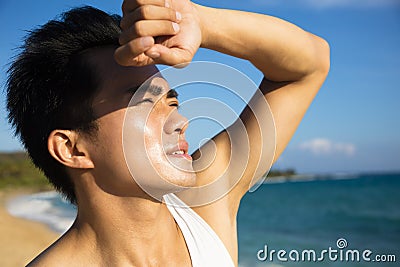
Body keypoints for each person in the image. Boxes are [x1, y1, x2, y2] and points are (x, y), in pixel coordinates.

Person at [6, 0, 329, 266]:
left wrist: (197, 21)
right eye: (144, 102)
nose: (180, 120)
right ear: (72, 149)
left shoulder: (203, 209)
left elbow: (308, 65)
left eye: (172, 101)